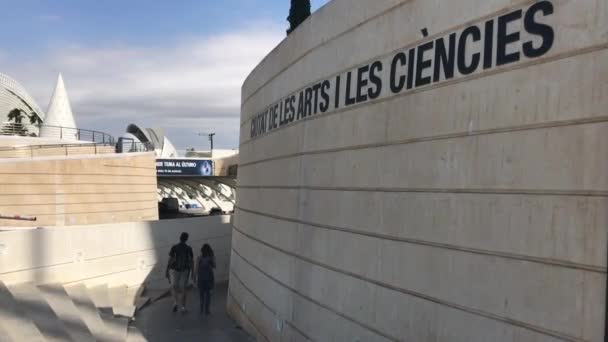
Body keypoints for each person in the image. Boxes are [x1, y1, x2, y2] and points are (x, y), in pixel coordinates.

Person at [166, 232, 193, 313]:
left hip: (175, 270)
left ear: (180, 238)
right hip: (185, 270)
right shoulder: (188, 248)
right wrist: (193, 272)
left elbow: (170, 260)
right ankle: (183, 307)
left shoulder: (174, 247)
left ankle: (175, 303)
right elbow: (191, 261)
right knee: (184, 289)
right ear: (186, 239)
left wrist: (167, 270)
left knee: (174, 287)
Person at [193, 243, 216, 315]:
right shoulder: (210, 258)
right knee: (208, 295)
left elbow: (196, 269)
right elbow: (215, 266)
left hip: (201, 279)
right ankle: (207, 311)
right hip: (209, 279)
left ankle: (201, 310)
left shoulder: (199, 258)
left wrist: (194, 278)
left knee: (201, 296)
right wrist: (213, 256)